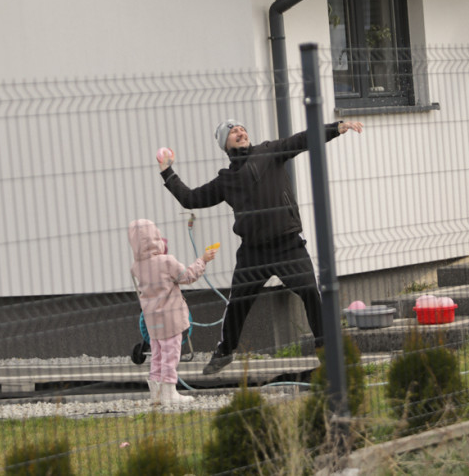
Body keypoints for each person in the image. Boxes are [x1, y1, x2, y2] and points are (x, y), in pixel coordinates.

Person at [158, 118, 363, 374]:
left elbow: (301, 139)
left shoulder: (269, 151)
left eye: (241, 128)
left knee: (311, 292)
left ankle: (327, 352)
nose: (240, 132)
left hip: (289, 245)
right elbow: (191, 198)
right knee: (237, 303)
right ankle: (224, 352)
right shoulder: (226, 181)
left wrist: (334, 129)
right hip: (253, 253)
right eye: (233, 132)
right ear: (226, 145)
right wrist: (168, 172)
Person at [128, 218, 218, 405]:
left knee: (158, 355)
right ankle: (170, 393)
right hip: (171, 318)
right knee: (171, 355)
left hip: (152, 320)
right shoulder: (166, 261)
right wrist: (203, 260)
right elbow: (188, 276)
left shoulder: (137, 267)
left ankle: (156, 395)